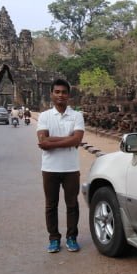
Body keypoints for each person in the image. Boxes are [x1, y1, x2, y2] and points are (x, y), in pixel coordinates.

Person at [37, 79, 85, 254]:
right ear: (51, 94)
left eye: (64, 92)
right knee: (51, 205)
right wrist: (68, 139)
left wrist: (53, 140)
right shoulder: (44, 116)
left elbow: (78, 140)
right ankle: (54, 239)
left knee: (72, 204)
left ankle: (72, 237)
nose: (60, 95)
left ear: (68, 95)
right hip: (50, 168)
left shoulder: (77, 116)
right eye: (57, 92)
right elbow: (42, 140)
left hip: (71, 168)